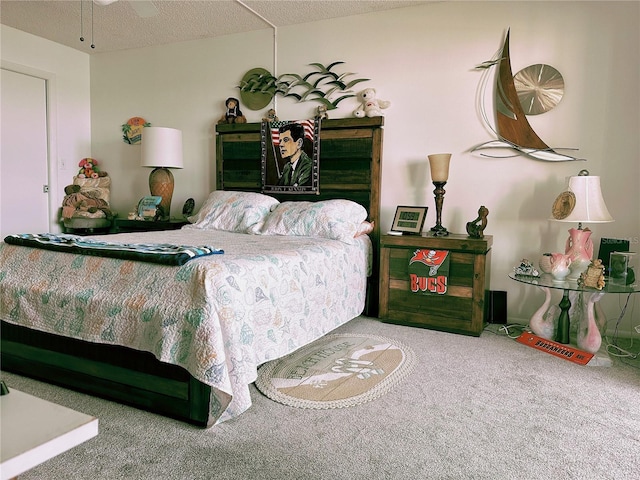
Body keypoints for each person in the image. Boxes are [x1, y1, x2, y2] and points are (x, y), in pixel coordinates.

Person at [276, 123, 312, 187]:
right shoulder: (287, 167)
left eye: (286, 140)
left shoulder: (308, 165)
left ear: (299, 143)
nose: (281, 145)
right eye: (280, 141)